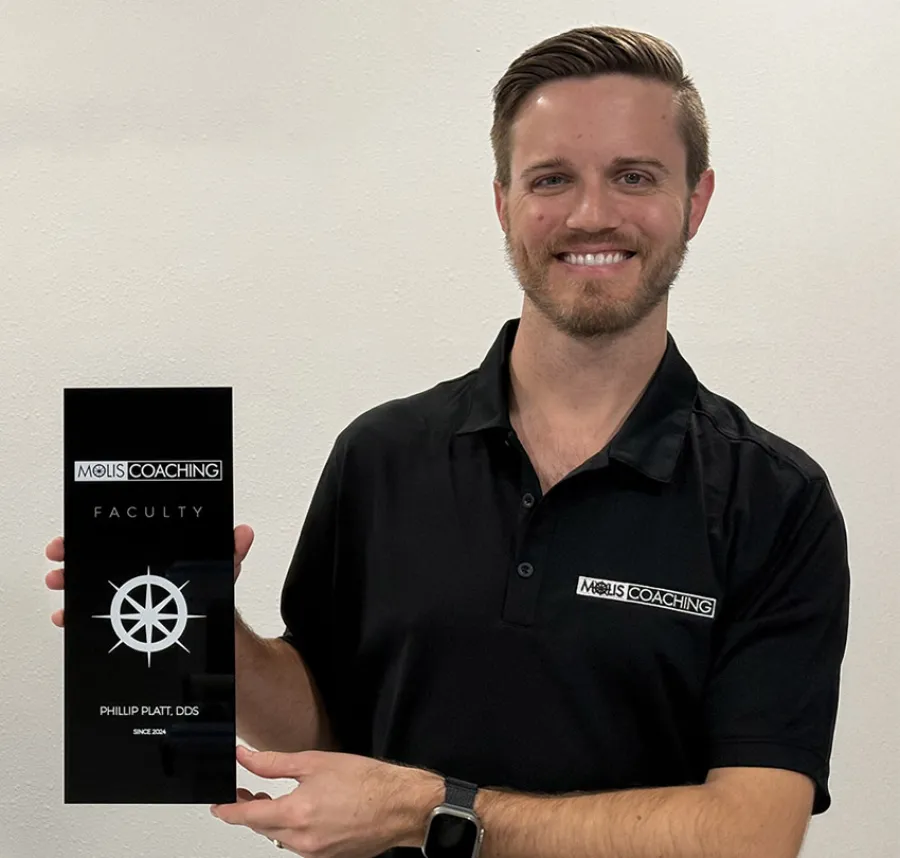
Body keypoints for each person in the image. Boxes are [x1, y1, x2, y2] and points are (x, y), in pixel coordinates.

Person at [46, 24, 850, 858]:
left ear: (697, 200)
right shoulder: (382, 454)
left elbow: (752, 834)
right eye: (551, 179)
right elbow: (330, 712)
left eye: (634, 176)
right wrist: (211, 633)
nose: (590, 214)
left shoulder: (776, 501)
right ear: (504, 202)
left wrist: (430, 812)